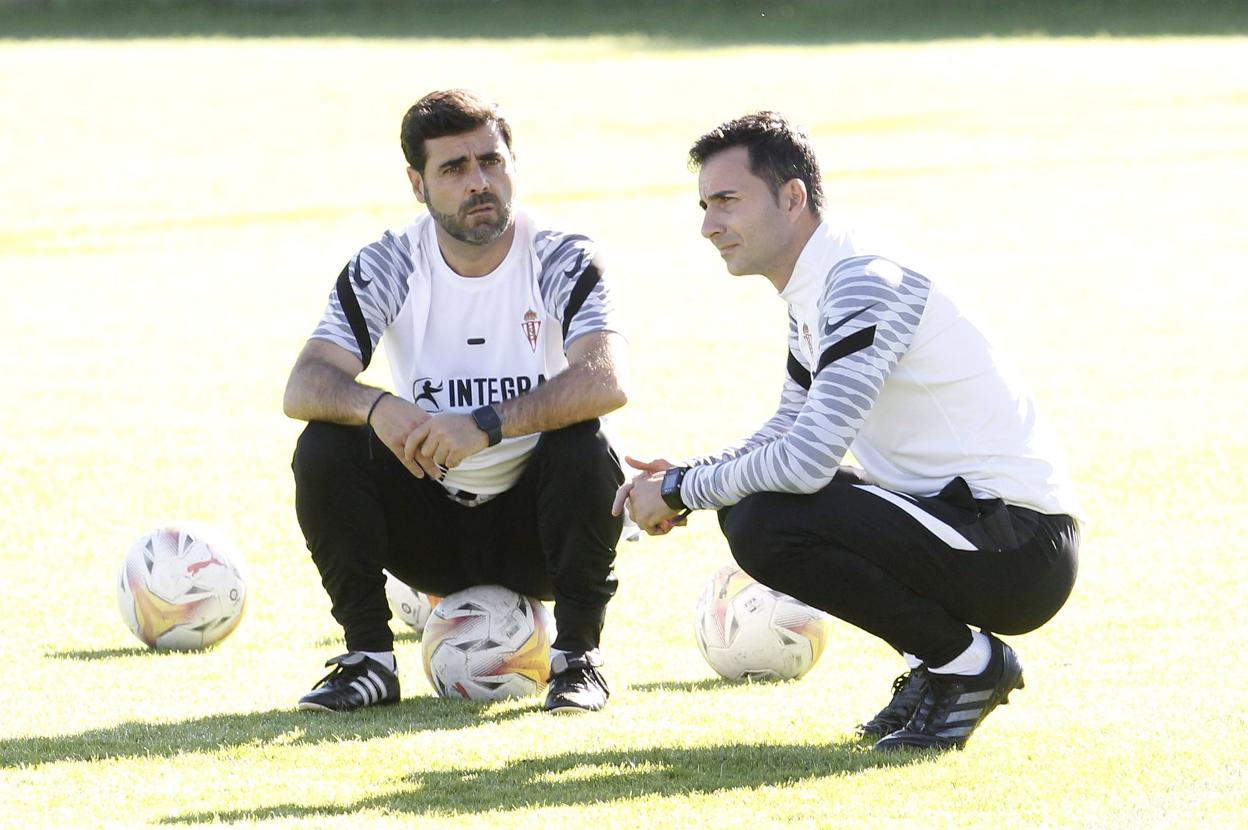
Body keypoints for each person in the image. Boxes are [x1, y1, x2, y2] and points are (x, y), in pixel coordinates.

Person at [614, 112, 1080, 750]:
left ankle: (965, 666)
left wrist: (685, 490)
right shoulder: (819, 284)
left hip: (1016, 542)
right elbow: (790, 427)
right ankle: (941, 663)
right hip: (967, 523)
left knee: (764, 518)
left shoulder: (860, 279)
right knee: (755, 507)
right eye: (703, 205)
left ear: (792, 197)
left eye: (726, 200)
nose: (708, 225)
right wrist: (683, 478)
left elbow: (805, 462)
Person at [285, 89, 627, 715]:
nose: (479, 182)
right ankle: (368, 661)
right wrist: (377, 408)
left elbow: (605, 380)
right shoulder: (388, 263)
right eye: (454, 169)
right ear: (417, 184)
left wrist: (487, 425)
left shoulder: (560, 254)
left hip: (540, 529)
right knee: (325, 444)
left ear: (513, 164)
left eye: (491, 162)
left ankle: (577, 660)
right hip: (430, 528)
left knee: (587, 441)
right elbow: (305, 383)